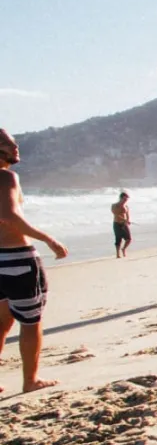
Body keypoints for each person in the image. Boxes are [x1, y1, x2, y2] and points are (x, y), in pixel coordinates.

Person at [0, 128, 68, 394]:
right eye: (6, 143)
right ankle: (31, 380)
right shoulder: (6, 177)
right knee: (31, 322)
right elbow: (8, 215)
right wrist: (48, 239)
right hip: (18, 258)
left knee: (2, 322)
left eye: (14, 141)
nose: (15, 146)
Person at [110, 192, 132, 258]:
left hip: (124, 224)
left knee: (129, 239)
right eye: (125, 199)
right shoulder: (114, 205)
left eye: (127, 199)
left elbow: (127, 215)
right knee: (118, 239)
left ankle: (123, 249)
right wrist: (124, 219)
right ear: (121, 198)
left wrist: (127, 220)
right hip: (117, 224)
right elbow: (115, 214)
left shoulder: (126, 206)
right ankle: (117, 254)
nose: (126, 200)